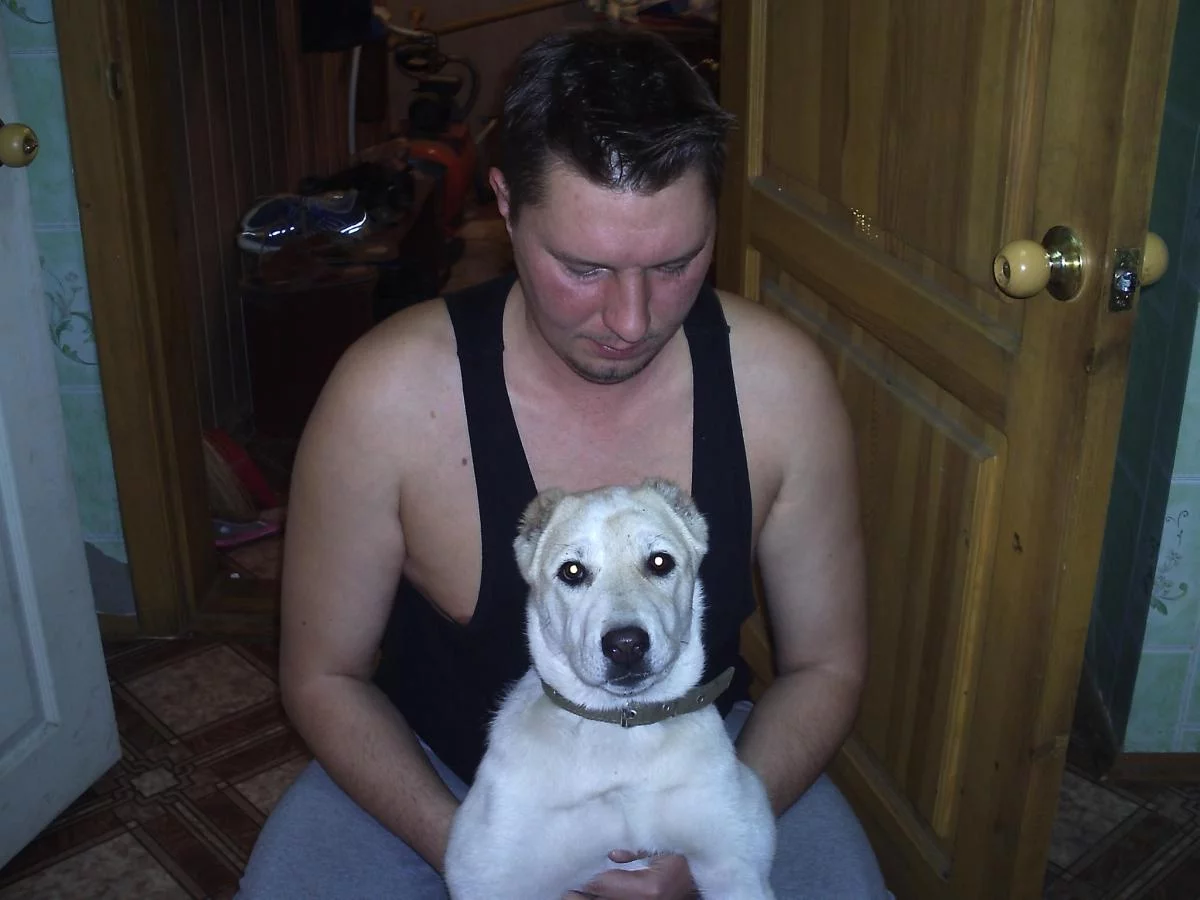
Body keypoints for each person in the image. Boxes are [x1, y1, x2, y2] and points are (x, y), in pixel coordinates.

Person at [238, 25, 889, 900]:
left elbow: (827, 666)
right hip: (443, 775)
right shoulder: (385, 396)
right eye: (584, 268)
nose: (632, 319)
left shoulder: (782, 387)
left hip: (699, 763)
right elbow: (323, 677)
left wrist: (724, 832)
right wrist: (482, 854)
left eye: (676, 262)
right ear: (505, 206)